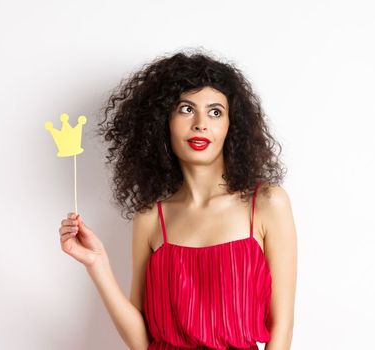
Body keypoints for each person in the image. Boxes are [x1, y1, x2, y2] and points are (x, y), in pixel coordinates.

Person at [57, 49, 297, 349]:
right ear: (162, 122)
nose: (200, 124)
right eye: (186, 109)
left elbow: (282, 329)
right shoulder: (149, 217)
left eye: (215, 112)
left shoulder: (267, 203)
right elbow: (142, 340)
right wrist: (97, 264)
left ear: (231, 125)